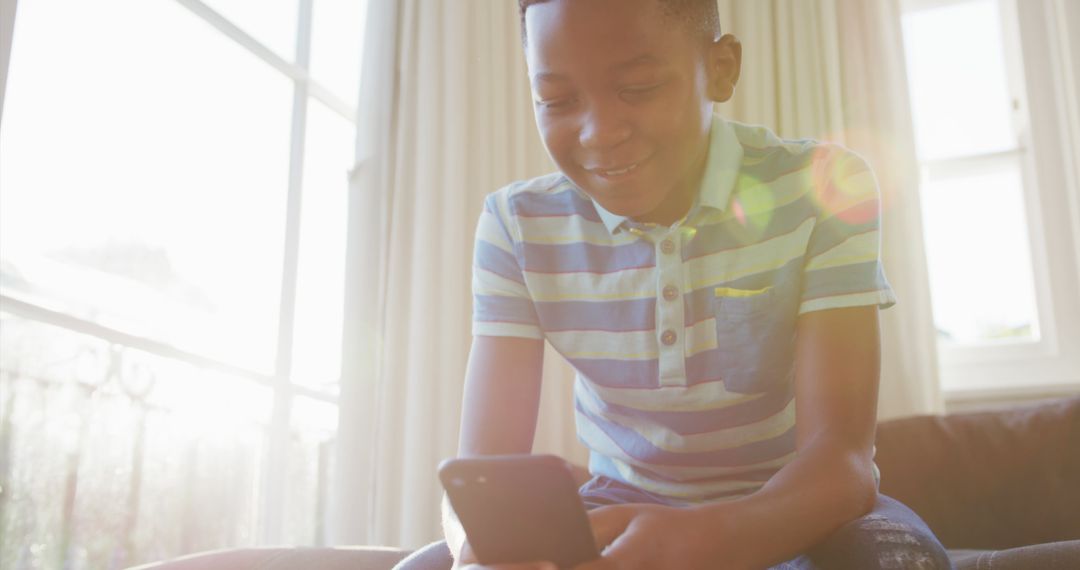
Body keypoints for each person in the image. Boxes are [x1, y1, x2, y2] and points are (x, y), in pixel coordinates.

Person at [400, 0, 954, 568]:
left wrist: (705, 540)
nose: (599, 133)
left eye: (637, 87)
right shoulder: (516, 226)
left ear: (721, 68)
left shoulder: (824, 188)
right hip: (618, 502)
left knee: (895, 560)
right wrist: (476, 547)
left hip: (794, 505)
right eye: (558, 101)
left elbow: (841, 465)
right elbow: (483, 476)